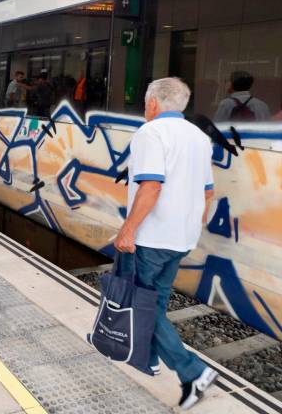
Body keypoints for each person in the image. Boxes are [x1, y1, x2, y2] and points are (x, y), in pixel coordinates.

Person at [113, 77, 218, 410]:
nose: (145, 108)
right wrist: (189, 226)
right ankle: (150, 360)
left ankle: (193, 371)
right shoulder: (200, 138)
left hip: (152, 238)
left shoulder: (151, 133)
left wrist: (128, 230)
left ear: (154, 103)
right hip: (181, 239)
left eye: (145, 102)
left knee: (140, 305)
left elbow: (151, 188)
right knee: (154, 302)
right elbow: (208, 192)